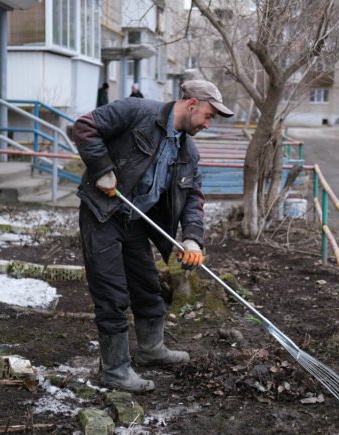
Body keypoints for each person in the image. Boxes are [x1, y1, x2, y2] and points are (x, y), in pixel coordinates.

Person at [73, 80, 233, 392]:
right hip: (102, 214)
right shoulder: (136, 112)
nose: (208, 123)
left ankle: (150, 349)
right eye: (209, 115)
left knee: (148, 288)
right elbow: (84, 127)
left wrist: (192, 239)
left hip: (135, 221)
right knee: (112, 293)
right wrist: (101, 167)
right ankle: (116, 370)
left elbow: (192, 198)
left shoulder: (188, 152)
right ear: (191, 105)